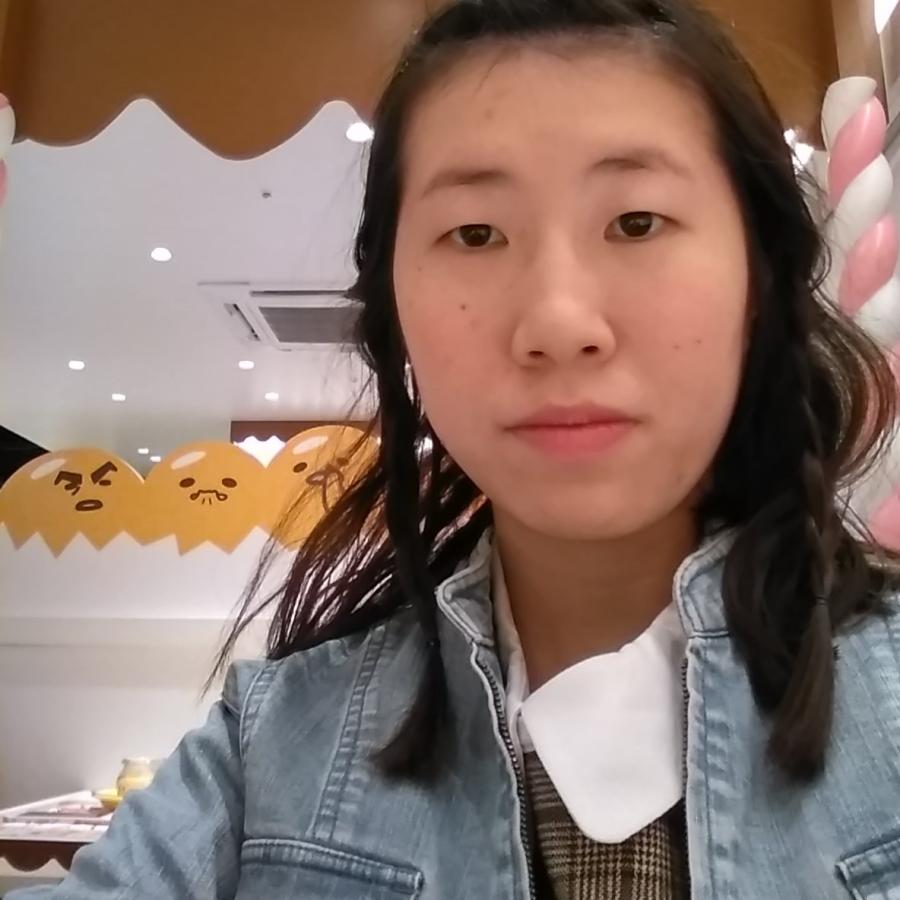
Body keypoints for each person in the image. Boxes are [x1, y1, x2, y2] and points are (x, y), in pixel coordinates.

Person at [13, 0, 900, 897]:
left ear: (759, 277)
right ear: (393, 310)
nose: (558, 322)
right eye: (475, 233)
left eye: (636, 221)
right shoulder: (266, 757)